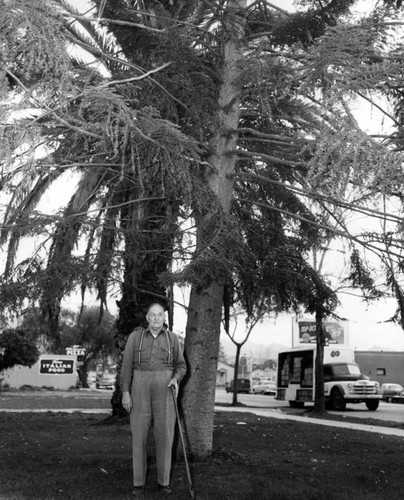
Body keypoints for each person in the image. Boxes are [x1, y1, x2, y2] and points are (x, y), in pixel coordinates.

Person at [120, 302, 187, 497]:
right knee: (139, 435)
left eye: (160, 315)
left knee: (165, 435)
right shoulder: (135, 337)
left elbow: (181, 366)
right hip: (140, 384)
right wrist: (125, 391)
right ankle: (138, 483)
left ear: (164, 318)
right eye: (152, 315)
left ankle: (164, 482)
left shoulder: (173, 339)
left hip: (165, 386)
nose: (156, 318)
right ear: (147, 318)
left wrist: (175, 378)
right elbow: (126, 368)